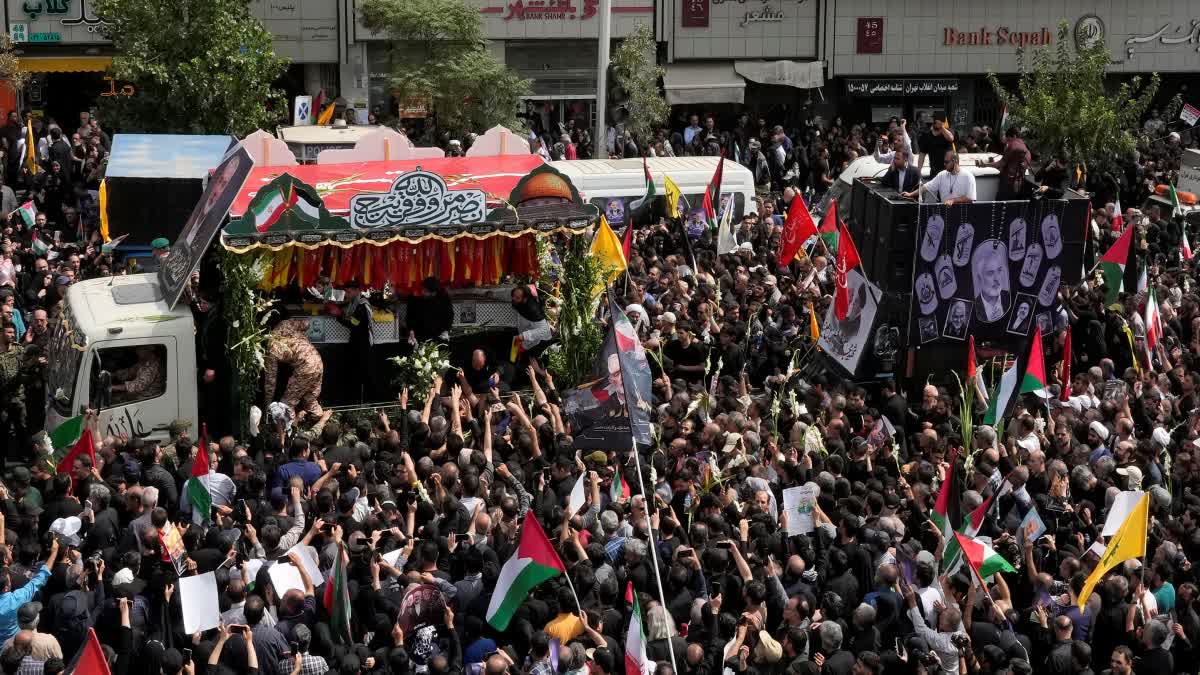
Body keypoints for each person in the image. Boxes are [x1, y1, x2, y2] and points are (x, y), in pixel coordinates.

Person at [263, 317, 326, 419]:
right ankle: (318, 417)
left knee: (287, 404)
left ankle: (291, 431)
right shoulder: (285, 324)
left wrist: (267, 404)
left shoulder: (271, 349)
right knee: (310, 399)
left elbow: (271, 381)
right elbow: (306, 323)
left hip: (306, 367)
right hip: (317, 360)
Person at [903, 151, 976, 206]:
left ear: (955, 161)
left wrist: (953, 200)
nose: (944, 164)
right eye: (944, 162)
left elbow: (970, 198)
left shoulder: (968, 176)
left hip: (962, 213)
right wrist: (910, 194)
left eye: (946, 162)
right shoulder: (942, 175)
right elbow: (926, 187)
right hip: (945, 212)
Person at [981, 126, 1032, 200]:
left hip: (1007, 184)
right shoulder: (1026, 149)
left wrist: (985, 165)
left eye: (1009, 139)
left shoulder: (1013, 145)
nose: (1008, 142)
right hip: (1019, 184)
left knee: (1000, 206)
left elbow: (1000, 164)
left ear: (1014, 136)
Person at [406, 276, 453, 344]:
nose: (423, 292)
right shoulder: (414, 298)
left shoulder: (443, 299)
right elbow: (409, 316)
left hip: (438, 335)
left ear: (434, 293)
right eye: (423, 289)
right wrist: (410, 330)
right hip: (419, 335)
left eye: (426, 291)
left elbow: (449, 316)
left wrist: (446, 330)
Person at [973, 240, 1010, 323]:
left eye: (999, 270)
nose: (997, 278)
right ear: (979, 278)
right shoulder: (974, 307)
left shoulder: (1010, 298)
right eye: (990, 273)